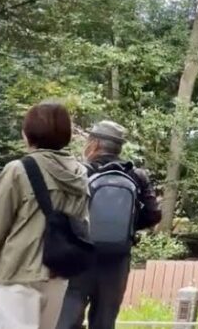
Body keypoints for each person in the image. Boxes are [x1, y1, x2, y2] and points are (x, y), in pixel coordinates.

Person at [0, 102, 90, 329]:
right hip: (58, 274)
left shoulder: (18, 170)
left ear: (28, 133)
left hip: (19, 275)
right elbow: (82, 225)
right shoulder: (79, 174)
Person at [57, 121, 162, 329]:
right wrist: (124, 229)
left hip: (79, 258)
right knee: (105, 322)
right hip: (116, 260)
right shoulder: (136, 175)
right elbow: (154, 215)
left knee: (67, 320)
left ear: (94, 144)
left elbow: (61, 212)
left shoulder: (80, 172)